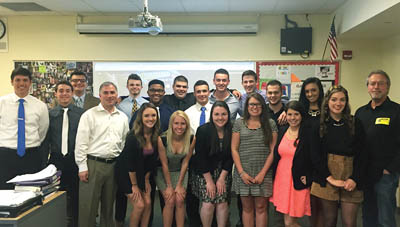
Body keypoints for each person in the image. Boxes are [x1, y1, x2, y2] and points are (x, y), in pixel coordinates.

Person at [75, 81, 129, 227]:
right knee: (89, 207)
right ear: (99, 95)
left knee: (108, 207)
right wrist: (82, 166)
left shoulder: (122, 117)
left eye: (112, 93)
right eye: (106, 93)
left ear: (117, 95)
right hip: (93, 165)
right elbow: (81, 143)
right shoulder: (89, 115)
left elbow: (123, 142)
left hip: (113, 165)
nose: (109, 96)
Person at [311, 85, 366, 227]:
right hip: (326, 175)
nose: (338, 103)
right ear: (327, 101)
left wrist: (354, 178)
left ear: (346, 102)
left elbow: (363, 153)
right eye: (334, 99)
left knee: (349, 222)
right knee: (329, 221)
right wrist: (330, 178)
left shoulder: (355, 123)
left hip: (351, 174)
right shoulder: (319, 124)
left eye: (342, 100)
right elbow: (315, 155)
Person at [355, 70, 400, 227]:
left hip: (385, 176)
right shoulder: (361, 112)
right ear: (367, 87)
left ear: (388, 87)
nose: (376, 87)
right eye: (372, 83)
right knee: (367, 215)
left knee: (385, 218)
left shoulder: (397, 111)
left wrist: (390, 169)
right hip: (365, 173)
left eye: (381, 83)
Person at [231, 92, 278, 227]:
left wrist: (262, 173)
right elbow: (234, 149)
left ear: (263, 106)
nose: (255, 107)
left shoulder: (270, 123)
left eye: (258, 104)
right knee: (247, 208)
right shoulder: (239, 123)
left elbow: (273, 151)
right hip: (243, 172)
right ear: (246, 106)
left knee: (261, 208)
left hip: (264, 172)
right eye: (251, 104)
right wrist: (241, 173)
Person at [0, 67, 49, 189]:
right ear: (12, 82)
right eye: (17, 80)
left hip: (31, 156)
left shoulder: (40, 106)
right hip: (6, 156)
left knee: (31, 192)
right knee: (5, 192)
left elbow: (42, 131)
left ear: (30, 83)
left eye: (25, 80)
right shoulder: (2, 103)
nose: (21, 84)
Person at [45, 81, 84, 227]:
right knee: (55, 197)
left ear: (72, 93)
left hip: (75, 161)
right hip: (56, 161)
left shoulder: (82, 114)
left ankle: (75, 223)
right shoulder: (49, 115)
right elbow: (45, 139)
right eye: (61, 90)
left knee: (76, 197)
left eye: (68, 90)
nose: (64, 93)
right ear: (55, 93)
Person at [117, 103, 161, 227]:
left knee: (148, 202)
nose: (150, 118)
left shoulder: (156, 135)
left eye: (153, 115)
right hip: (126, 174)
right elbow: (129, 163)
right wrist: (135, 186)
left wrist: (146, 180)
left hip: (142, 173)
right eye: (147, 116)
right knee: (139, 205)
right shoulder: (133, 136)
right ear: (141, 117)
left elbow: (152, 162)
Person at [270, 101, 313, 227]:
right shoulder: (282, 130)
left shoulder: (307, 133)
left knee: (290, 222)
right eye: (289, 114)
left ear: (302, 115)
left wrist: (309, 176)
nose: (293, 118)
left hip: (297, 180)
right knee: (285, 220)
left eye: (296, 114)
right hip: (281, 180)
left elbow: (313, 158)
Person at [192, 101, 233, 227]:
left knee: (222, 202)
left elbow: (231, 156)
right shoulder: (203, 130)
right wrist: (209, 181)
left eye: (223, 114)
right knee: (208, 203)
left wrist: (221, 178)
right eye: (216, 114)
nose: (220, 118)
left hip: (224, 172)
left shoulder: (232, 130)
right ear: (212, 115)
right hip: (204, 172)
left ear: (228, 115)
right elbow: (200, 157)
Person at [156, 111, 195, 227]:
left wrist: (179, 185)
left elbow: (185, 162)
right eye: (176, 123)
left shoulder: (191, 138)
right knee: (170, 201)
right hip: (163, 172)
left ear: (187, 125)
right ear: (171, 124)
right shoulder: (162, 139)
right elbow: (164, 164)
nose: (179, 127)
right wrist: (169, 186)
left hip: (180, 172)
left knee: (180, 200)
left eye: (183, 124)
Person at [298, 76, 325, 227]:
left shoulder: (328, 110)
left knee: (323, 206)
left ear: (320, 91)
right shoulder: (301, 111)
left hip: (323, 162)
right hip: (306, 163)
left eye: (313, 90)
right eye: (307, 91)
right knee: (311, 204)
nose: (310, 94)